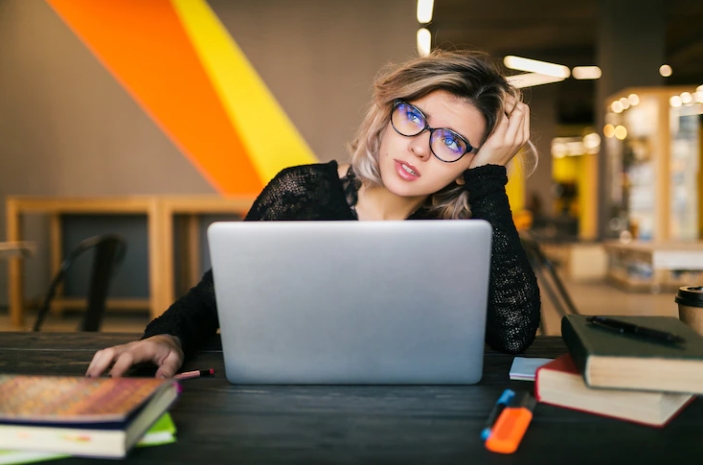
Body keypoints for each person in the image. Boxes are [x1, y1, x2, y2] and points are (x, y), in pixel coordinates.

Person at [86, 50, 541, 378]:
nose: (420, 146)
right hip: (284, 396)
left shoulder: (465, 231)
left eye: (451, 142)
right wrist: (168, 337)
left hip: (425, 409)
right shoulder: (300, 189)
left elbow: (514, 336)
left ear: (468, 168)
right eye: (414, 117)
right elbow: (215, 296)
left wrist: (490, 181)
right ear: (387, 118)